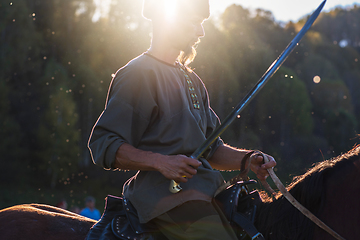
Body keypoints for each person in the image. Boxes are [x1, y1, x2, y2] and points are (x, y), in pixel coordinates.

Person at [88, 0, 276, 239]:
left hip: (209, 191)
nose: (201, 32)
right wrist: (161, 162)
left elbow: (211, 149)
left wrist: (248, 160)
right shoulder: (138, 74)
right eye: (193, 22)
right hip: (164, 198)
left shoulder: (193, 80)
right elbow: (104, 143)